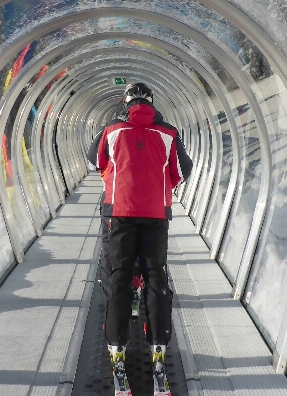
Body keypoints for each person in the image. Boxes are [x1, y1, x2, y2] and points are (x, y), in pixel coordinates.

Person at [89, 82, 192, 396]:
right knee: (155, 276)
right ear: (152, 103)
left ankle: (117, 348)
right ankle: (159, 345)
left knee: (119, 277)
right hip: (155, 213)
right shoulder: (170, 134)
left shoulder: (111, 130)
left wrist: (119, 180)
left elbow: (96, 163)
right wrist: (157, 185)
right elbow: (181, 171)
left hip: (119, 212)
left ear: (125, 103)